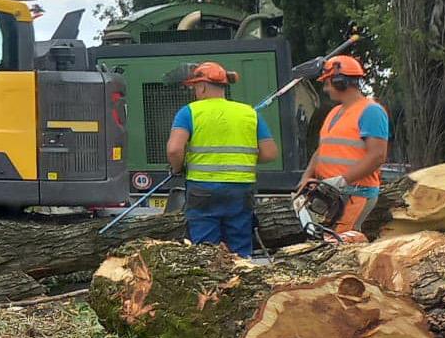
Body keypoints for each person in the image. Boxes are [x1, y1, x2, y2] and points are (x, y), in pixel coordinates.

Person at [166, 62, 278, 256]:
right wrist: (240, 159)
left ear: (201, 86)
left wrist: (178, 168)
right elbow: (269, 153)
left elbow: (175, 150)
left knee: (206, 252)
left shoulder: (189, 112)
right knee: (240, 250)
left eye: (194, 87)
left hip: (202, 190)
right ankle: (242, 280)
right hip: (240, 190)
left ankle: (211, 283)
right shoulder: (249, 113)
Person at [299, 54, 390, 236]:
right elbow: (322, 150)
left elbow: (377, 156)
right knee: (326, 242)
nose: (325, 89)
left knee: (341, 243)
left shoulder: (371, 111)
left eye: (328, 83)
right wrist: (307, 177)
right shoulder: (335, 112)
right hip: (330, 193)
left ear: (341, 82)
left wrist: (343, 180)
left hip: (355, 193)